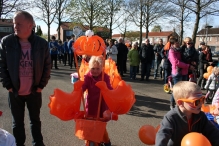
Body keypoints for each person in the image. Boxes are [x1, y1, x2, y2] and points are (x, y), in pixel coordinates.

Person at [0, 11, 51, 146]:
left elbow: (47, 66)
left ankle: (38, 143)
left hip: (34, 91)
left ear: (30, 25)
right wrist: (8, 86)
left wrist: (41, 86)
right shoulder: (6, 42)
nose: (15, 26)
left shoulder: (42, 43)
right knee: (17, 123)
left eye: (18, 24)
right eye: (14, 23)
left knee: (35, 120)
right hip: (15, 91)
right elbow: (1, 65)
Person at [155, 81, 219, 146]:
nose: (201, 104)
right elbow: (162, 135)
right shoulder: (171, 117)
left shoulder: (200, 116)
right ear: (180, 103)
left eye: (202, 99)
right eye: (196, 101)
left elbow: (213, 133)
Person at [82, 56, 113, 146]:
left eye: (97, 68)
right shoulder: (88, 76)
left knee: (100, 125)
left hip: (102, 104)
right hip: (91, 103)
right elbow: (83, 87)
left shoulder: (105, 77)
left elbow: (109, 88)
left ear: (101, 68)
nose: (95, 71)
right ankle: (88, 141)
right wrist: (79, 89)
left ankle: (106, 141)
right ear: (90, 68)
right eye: (93, 68)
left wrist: (112, 92)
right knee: (90, 123)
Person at [168, 37, 193, 109]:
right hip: (177, 72)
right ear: (172, 44)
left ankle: (179, 104)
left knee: (183, 90)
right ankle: (172, 103)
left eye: (178, 42)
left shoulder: (180, 50)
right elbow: (176, 62)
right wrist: (188, 66)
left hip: (184, 71)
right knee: (177, 90)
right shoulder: (171, 51)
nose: (178, 44)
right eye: (176, 43)